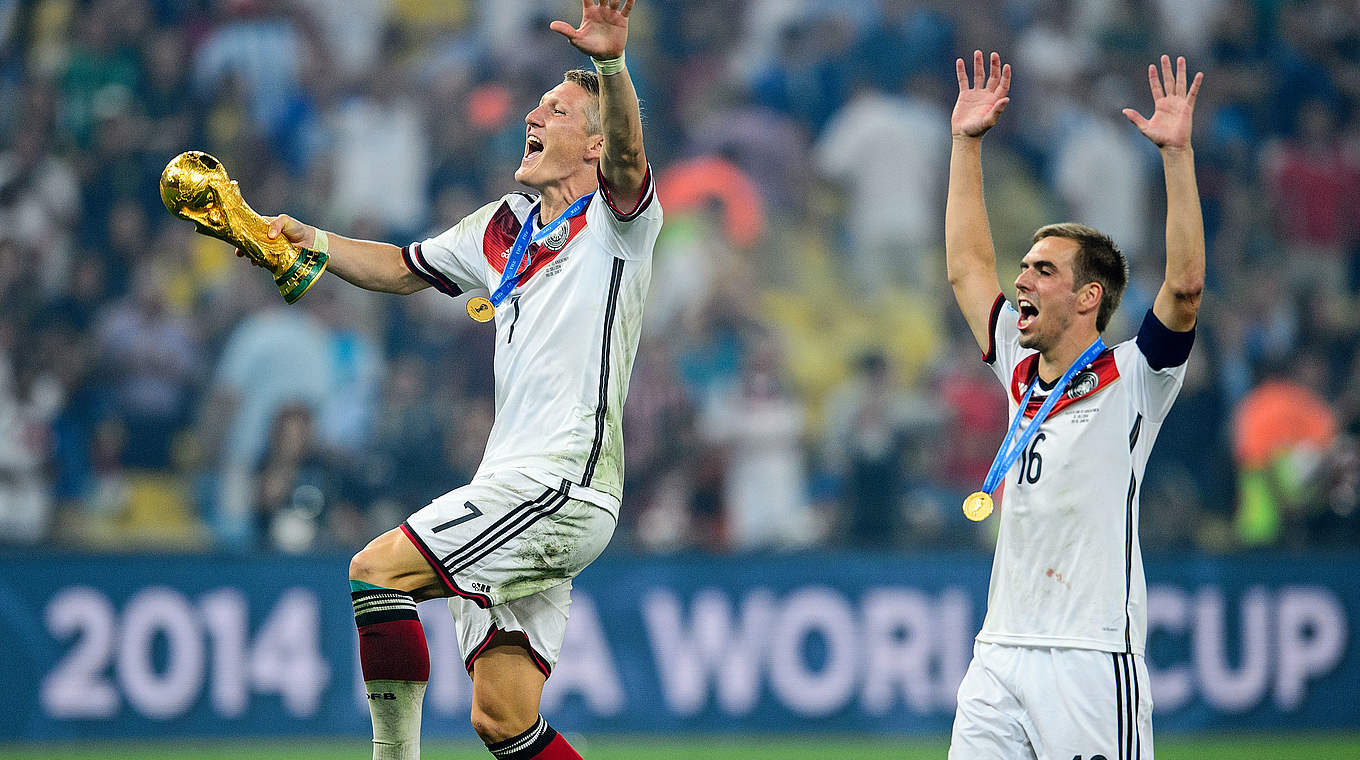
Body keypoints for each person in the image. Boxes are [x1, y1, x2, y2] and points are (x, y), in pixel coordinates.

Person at [250, 2, 657, 758]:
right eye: (539, 104)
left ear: (594, 145)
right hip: (519, 479)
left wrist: (610, 65)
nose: (533, 114)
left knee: (376, 573)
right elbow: (404, 268)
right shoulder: (503, 226)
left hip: (562, 479)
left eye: (557, 111)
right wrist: (316, 241)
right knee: (502, 721)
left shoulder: (617, 222)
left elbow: (631, 161)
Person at [943, 51, 1204, 758]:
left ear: (1089, 297)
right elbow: (968, 267)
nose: (1021, 277)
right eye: (1025, 266)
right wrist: (966, 144)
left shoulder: (1137, 376)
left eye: (1043, 270)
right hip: (998, 654)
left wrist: (1176, 156)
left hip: (1089, 658)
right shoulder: (1018, 370)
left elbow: (1182, 292)